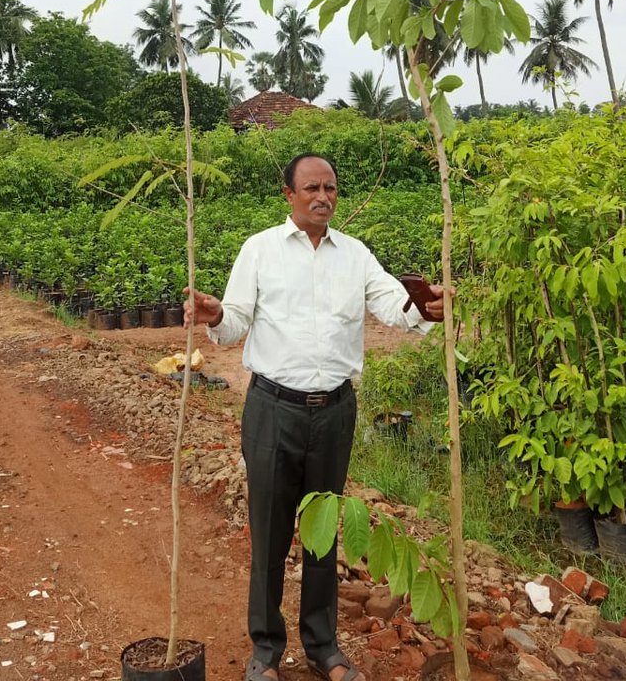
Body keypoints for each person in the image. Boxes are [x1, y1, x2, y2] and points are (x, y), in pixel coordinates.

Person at [185, 153, 447, 681]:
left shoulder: (355, 257)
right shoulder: (259, 251)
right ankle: (265, 649)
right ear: (289, 194)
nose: (322, 196)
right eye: (311, 188)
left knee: (323, 534)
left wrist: (424, 308)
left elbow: (394, 307)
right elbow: (235, 321)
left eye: (330, 187)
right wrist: (216, 316)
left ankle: (323, 646)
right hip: (271, 409)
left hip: (333, 413)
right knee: (270, 530)